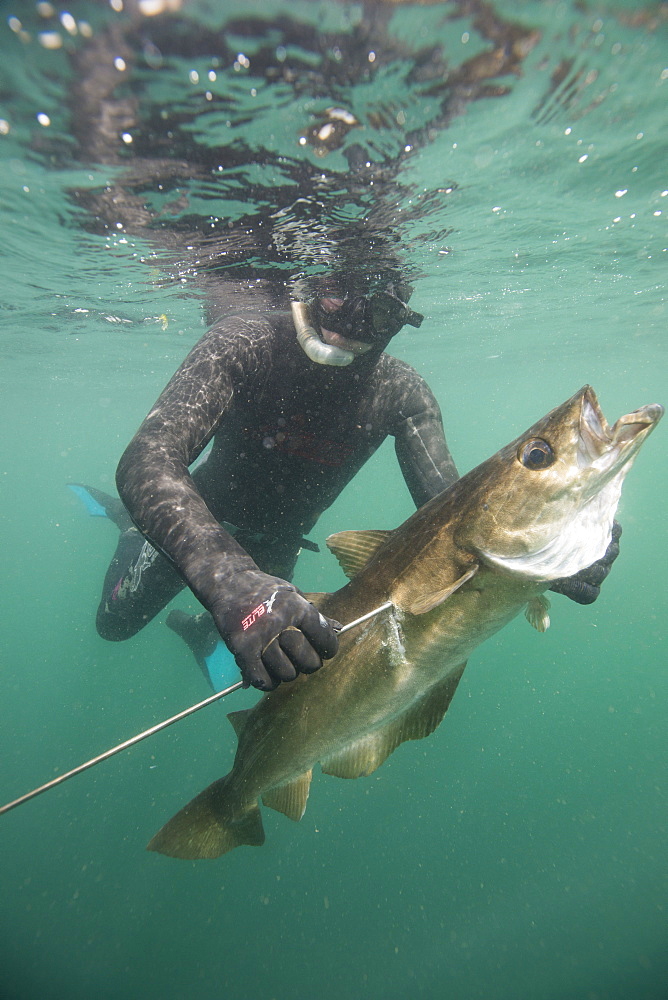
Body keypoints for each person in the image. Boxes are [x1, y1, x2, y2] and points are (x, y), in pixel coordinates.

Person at [87, 272, 621, 692]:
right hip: (199, 524)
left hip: (277, 546)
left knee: (280, 668)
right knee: (112, 627)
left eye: (380, 308)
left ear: (399, 321)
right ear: (314, 286)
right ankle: (133, 533)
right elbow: (147, 461)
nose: (349, 320)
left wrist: (551, 555)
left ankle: (200, 629)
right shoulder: (245, 341)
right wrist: (230, 583)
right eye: (339, 292)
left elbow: (453, 516)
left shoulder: (402, 394)